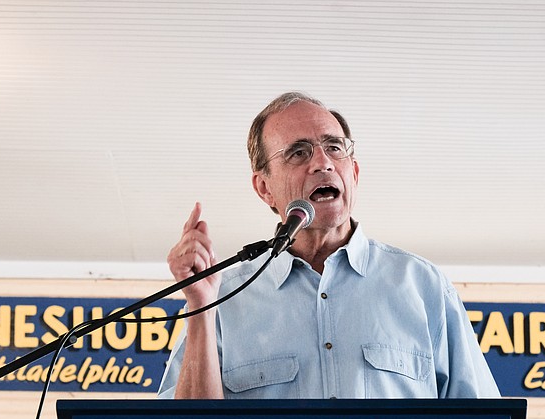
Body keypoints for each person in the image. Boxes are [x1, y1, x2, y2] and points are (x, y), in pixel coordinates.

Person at [157, 92, 499, 400]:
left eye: (335, 147)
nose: (323, 163)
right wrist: (201, 307)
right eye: (298, 152)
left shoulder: (423, 286)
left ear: (354, 172)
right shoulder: (223, 297)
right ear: (264, 189)